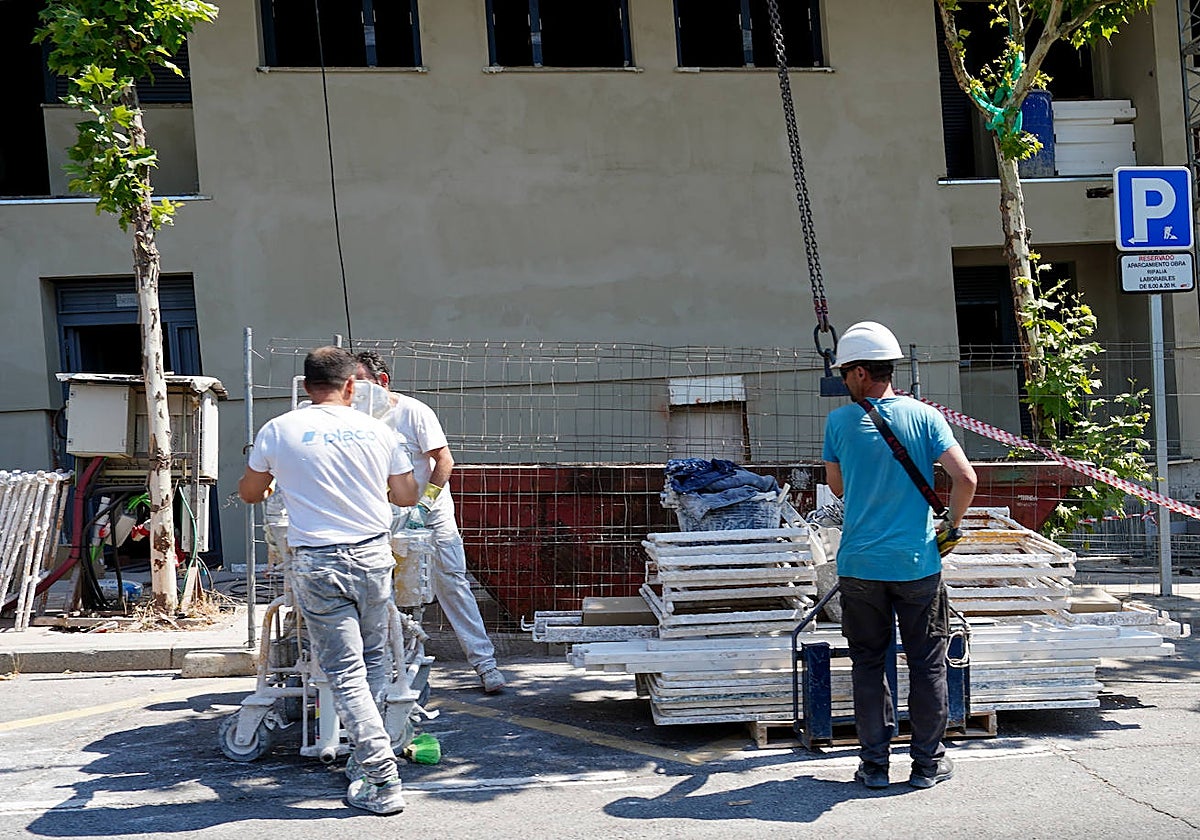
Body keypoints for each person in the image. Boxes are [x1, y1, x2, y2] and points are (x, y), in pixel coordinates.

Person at [238, 346, 419, 815]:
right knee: (374, 661)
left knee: (344, 672)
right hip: (374, 557)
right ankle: (366, 763)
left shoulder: (279, 429)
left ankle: (381, 776)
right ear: (352, 386)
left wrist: (285, 480)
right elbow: (406, 495)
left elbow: (250, 492)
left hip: (318, 564)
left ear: (305, 387)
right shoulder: (376, 429)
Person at [821, 321, 977, 790]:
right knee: (927, 662)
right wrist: (949, 523)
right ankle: (927, 765)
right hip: (917, 565)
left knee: (869, 662)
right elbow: (966, 480)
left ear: (863, 373)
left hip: (860, 568)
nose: (843, 380)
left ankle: (873, 766)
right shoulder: (926, 417)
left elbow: (838, 486)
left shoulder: (839, 423)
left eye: (846, 372)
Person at [355, 350, 508, 694]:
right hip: (384, 514)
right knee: (388, 589)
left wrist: (424, 505)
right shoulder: (356, 418)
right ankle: (397, 666)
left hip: (430, 510)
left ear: (382, 382)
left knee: (451, 581)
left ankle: (484, 663)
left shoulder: (413, 412)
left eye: (362, 384)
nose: (355, 392)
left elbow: (443, 460)